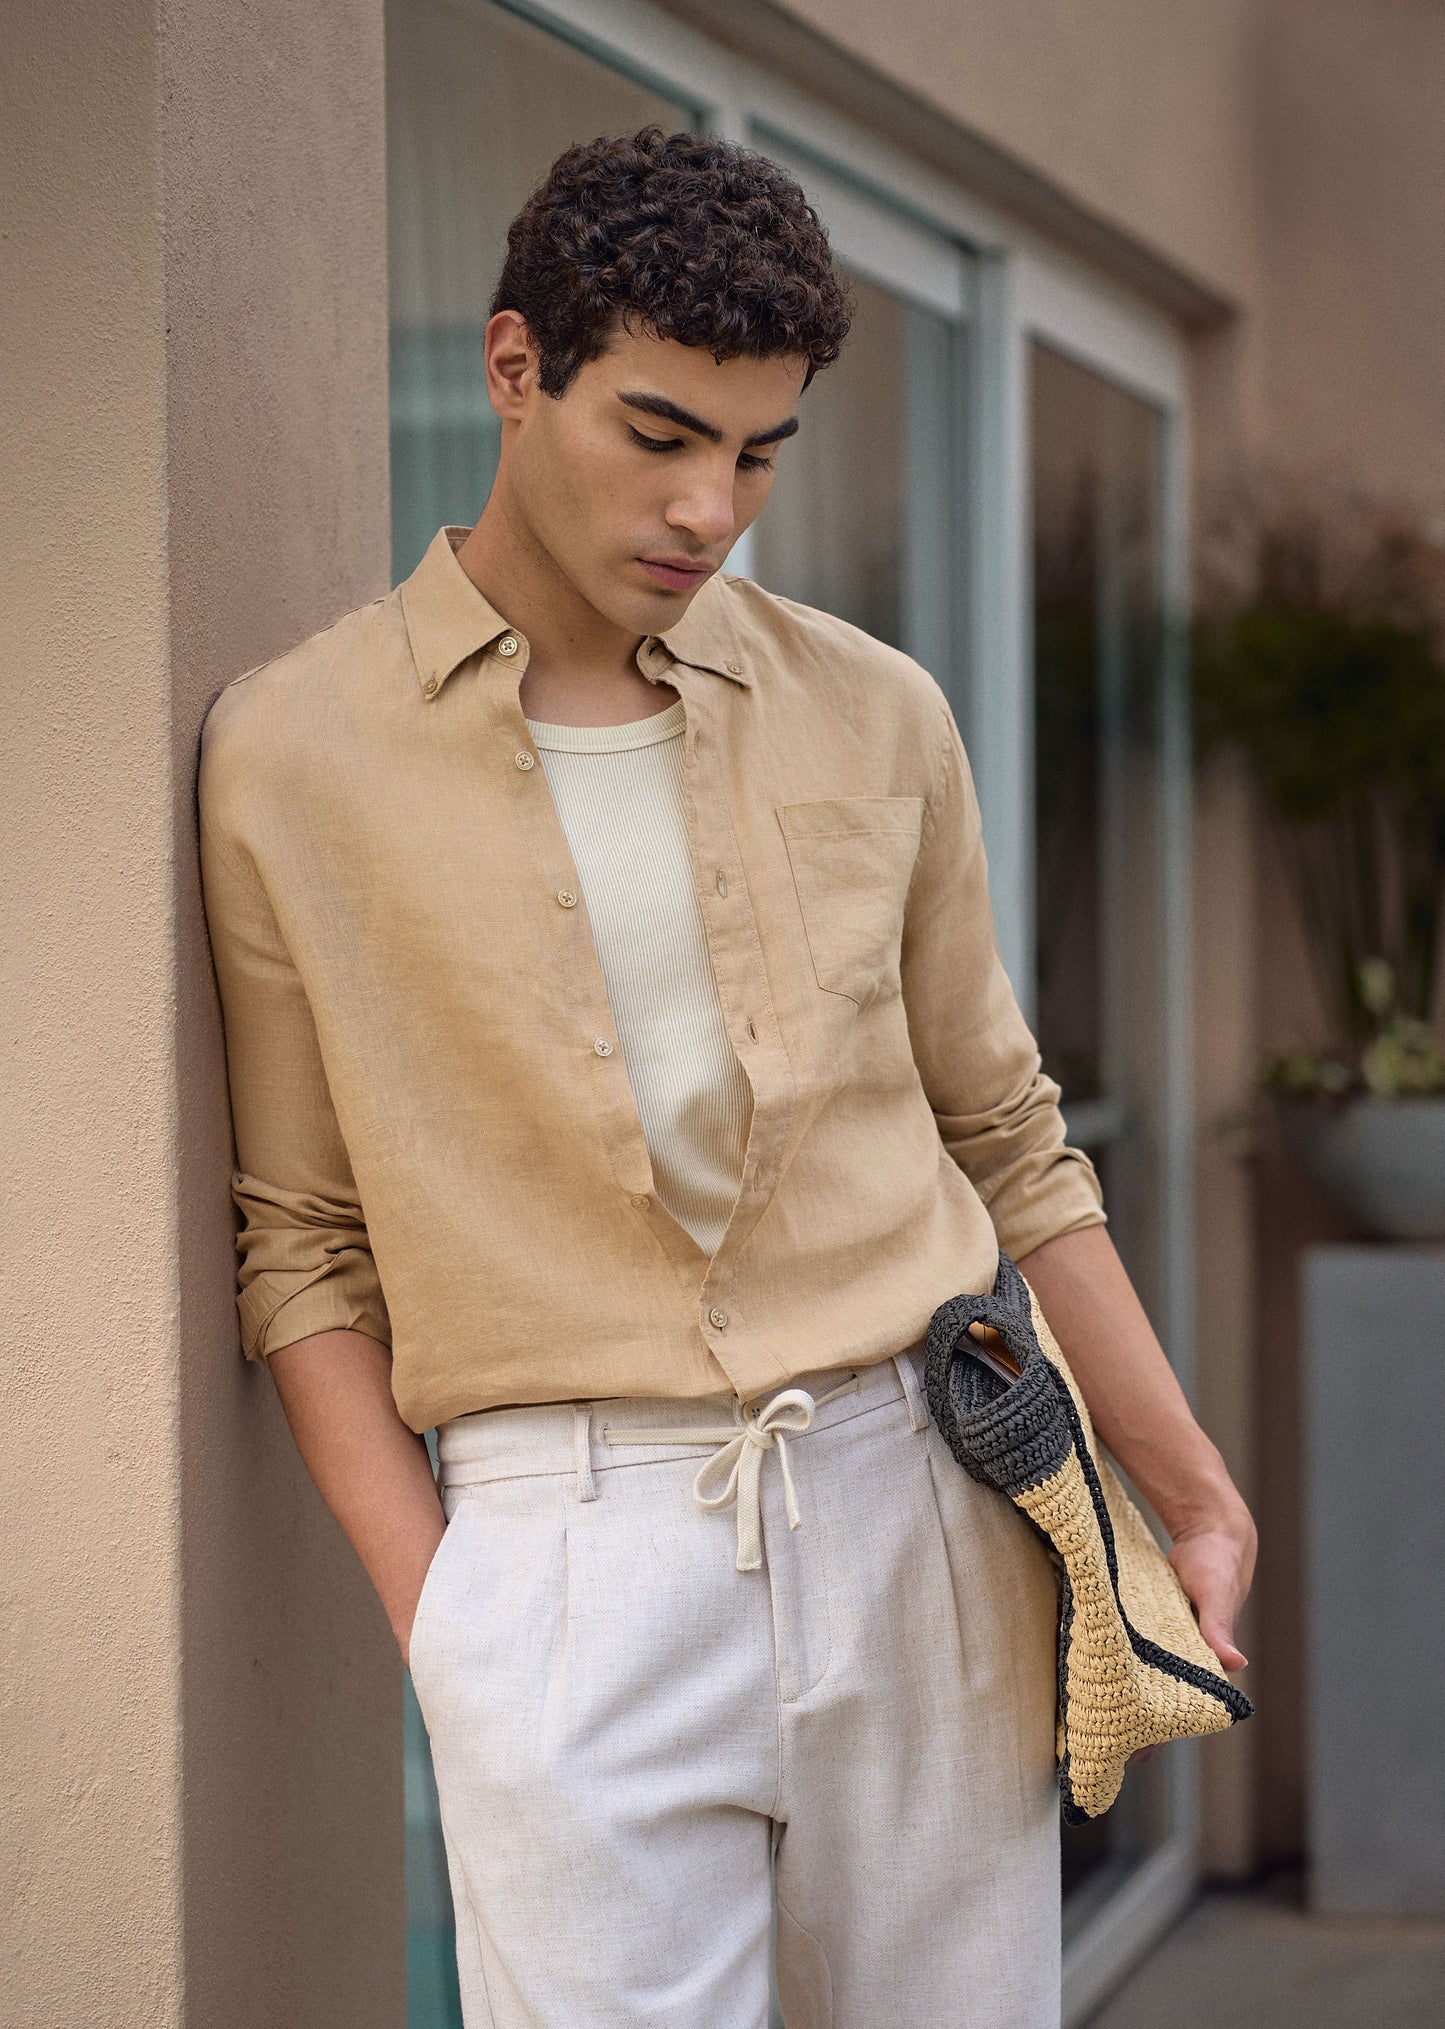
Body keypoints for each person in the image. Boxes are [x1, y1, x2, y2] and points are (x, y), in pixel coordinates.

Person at [198, 129, 1255, 2028]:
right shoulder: (293, 753)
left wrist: (1186, 1479)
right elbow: (300, 1242)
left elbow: (1003, 1131)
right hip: (564, 1552)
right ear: (513, 369)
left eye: (760, 454)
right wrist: (448, 1624)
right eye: (661, 432)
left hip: (921, 1492)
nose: (711, 507)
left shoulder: (878, 710)